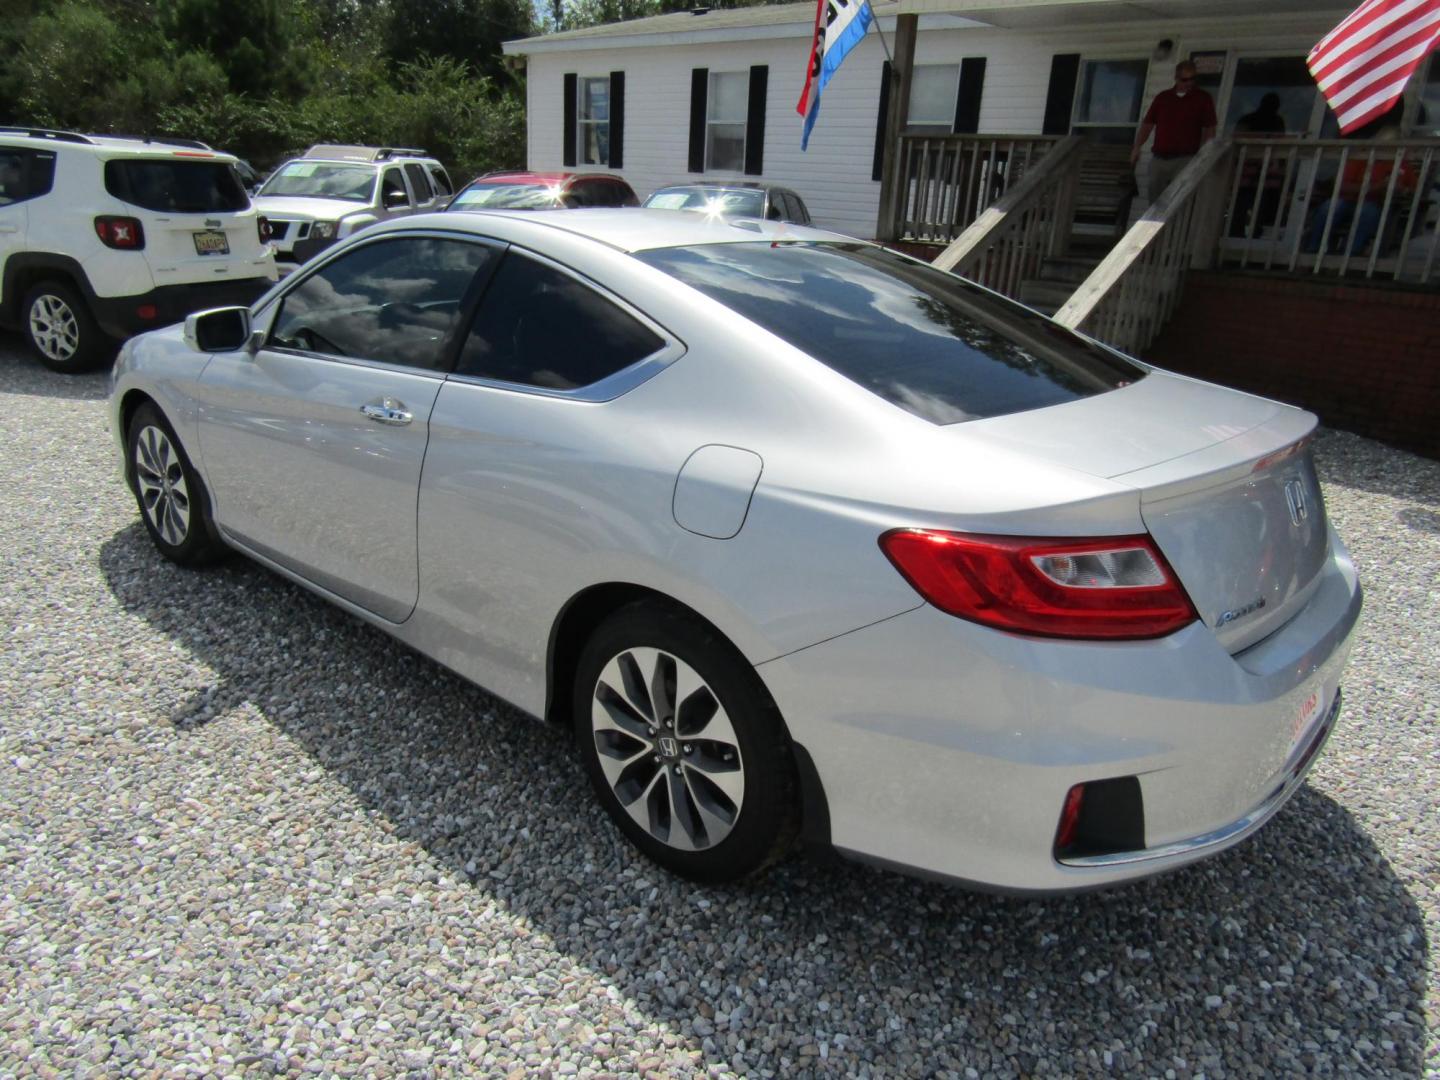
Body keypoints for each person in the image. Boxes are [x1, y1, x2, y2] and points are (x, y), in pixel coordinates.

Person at [1130, 61, 1217, 201]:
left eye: (1192, 79)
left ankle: (1175, 224)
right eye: (1185, 79)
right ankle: (1156, 223)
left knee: (1178, 199)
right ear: (1176, 78)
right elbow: (1148, 124)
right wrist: (1137, 146)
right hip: (1160, 157)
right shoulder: (1163, 98)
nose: (1189, 83)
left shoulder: (1203, 98)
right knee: (1155, 199)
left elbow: (1210, 128)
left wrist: (1206, 154)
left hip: (1185, 158)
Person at [1230, 92, 1287, 237]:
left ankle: (1249, 234)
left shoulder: (1274, 121)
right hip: (1248, 173)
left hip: (1263, 175)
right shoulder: (1252, 120)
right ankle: (1238, 233)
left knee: (1258, 206)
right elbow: (1236, 141)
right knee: (1244, 205)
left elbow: (1281, 147)